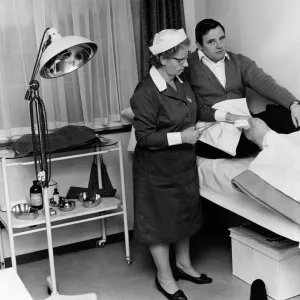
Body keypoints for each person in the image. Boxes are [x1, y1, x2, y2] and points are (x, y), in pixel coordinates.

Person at [130, 28, 213, 300]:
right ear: (163, 59)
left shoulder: (180, 81)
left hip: (182, 166)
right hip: (156, 170)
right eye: (180, 59)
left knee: (184, 216)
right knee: (161, 223)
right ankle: (165, 278)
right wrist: (183, 136)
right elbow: (144, 137)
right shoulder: (146, 92)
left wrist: (225, 113)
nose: (186, 64)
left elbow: (198, 107)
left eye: (186, 57)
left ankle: (184, 265)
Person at [185, 18, 300, 158]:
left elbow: (265, 83)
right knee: (257, 131)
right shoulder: (186, 66)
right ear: (199, 45)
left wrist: (293, 104)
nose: (219, 45)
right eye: (211, 42)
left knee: (287, 115)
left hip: (244, 122)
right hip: (212, 131)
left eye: (221, 38)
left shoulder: (239, 61)